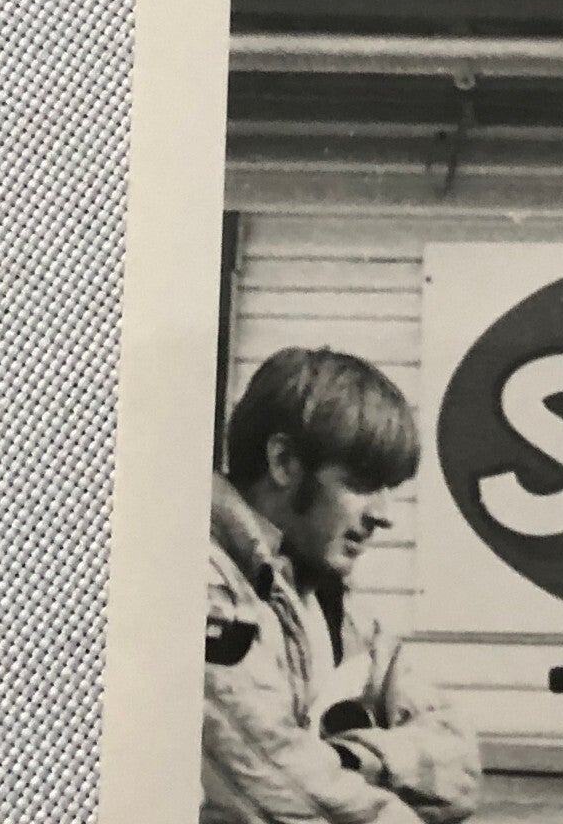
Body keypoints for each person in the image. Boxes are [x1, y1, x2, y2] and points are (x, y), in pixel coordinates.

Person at [201, 346, 481, 824]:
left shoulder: (331, 605)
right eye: (360, 483)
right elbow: (280, 788)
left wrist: (350, 759)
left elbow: (458, 763)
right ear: (284, 461)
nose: (383, 515)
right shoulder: (207, 584)